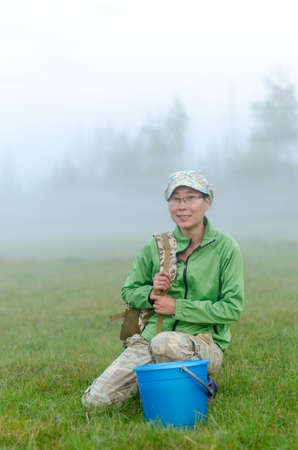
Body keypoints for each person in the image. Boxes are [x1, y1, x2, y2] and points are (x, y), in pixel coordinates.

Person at [82, 169, 244, 407]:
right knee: (94, 401)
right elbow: (129, 291)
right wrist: (151, 293)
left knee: (166, 344)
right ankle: (154, 380)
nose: (182, 206)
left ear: (207, 201)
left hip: (204, 343)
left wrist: (177, 307)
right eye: (175, 199)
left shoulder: (226, 248)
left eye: (190, 198)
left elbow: (232, 309)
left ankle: (202, 383)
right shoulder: (156, 246)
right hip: (151, 339)